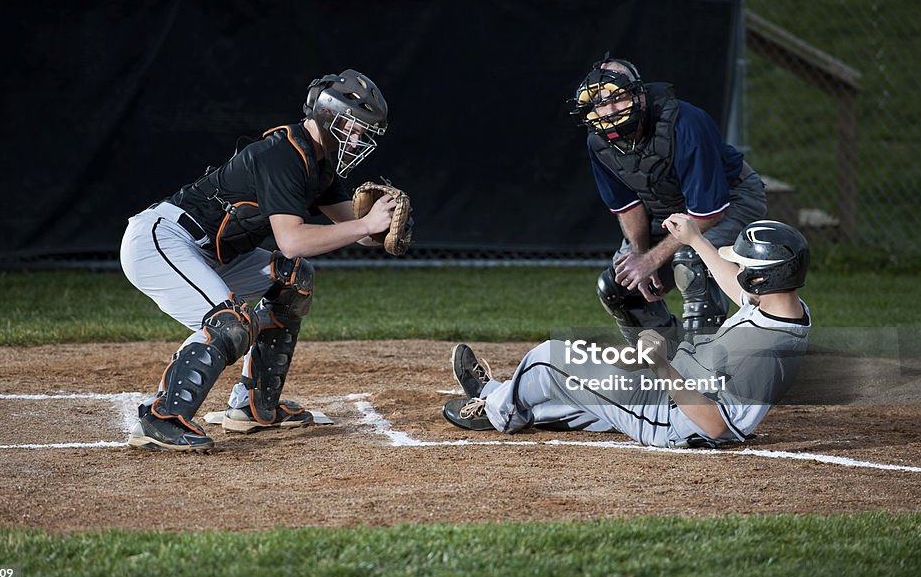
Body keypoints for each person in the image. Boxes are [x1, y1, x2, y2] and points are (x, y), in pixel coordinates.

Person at [121, 69, 397, 452]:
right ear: (327, 115)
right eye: (353, 127)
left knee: (293, 279)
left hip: (212, 252)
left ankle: (255, 406)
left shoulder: (319, 163)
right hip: (163, 240)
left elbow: (357, 231)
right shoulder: (282, 154)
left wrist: (381, 229)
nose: (358, 138)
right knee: (230, 323)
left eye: (363, 131)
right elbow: (293, 240)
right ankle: (161, 416)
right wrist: (366, 224)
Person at [441, 217, 811, 449]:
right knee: (576, 394)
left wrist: (662, 366)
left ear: (762, 277)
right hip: (676, 392)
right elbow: (738, 287)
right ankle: (500, 396)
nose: (736, 267)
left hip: (676, 418)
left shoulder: (766, 351)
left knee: (550, 358)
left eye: (742, 264)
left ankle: (494, 409)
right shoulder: (784, 307)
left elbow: (715, 425)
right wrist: (696, 239)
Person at [569, 56, 768, 349]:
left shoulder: (685, 123)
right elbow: (629, 206)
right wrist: (640, 257)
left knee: (691, 262)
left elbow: (707, 213)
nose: (608, 110)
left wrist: (652, 259)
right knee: (619, 284)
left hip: (731, 197)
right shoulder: (598, 141)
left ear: (640, 96)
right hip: (665, 209)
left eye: (617, 98)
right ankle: (666, 358)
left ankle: (703, 361)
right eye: (599, 103)